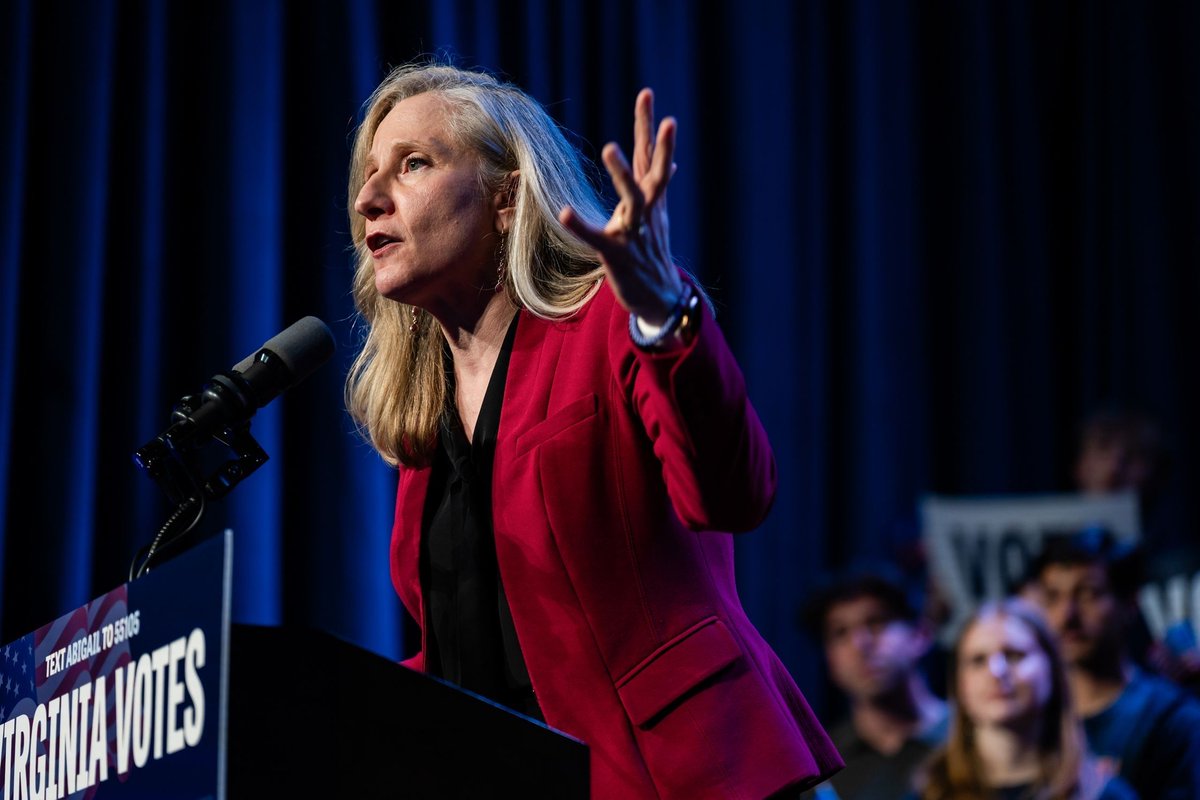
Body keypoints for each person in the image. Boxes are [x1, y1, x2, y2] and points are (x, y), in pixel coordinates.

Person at [342, 60, 842, 799]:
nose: (368, 198)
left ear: (506, 198)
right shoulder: (425, 431)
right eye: (369, 175)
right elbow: (470, 657)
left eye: (413, 164)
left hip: (696, 774)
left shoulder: (614, 321)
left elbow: (732, 494)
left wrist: (665, 317)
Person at [1028, 529, 1200, 799]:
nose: (1067, 615)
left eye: (1088, 594)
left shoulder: (1173, 719)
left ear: (1130, 603)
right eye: (1052, 597)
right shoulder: (1027, 716)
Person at [915, 599, 1136, 800]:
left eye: (1014, 655)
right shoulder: (930, 793)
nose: (996, 671)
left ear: (1051, 670)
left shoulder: (1103, 793)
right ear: (960, 684)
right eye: (978, 660)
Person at [799, 573, 948, 800]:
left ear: (921, 634)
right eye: (840, 633)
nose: (860, 644)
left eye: (876, 622)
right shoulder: (819, 765)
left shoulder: (969, 737)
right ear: (829, 659)